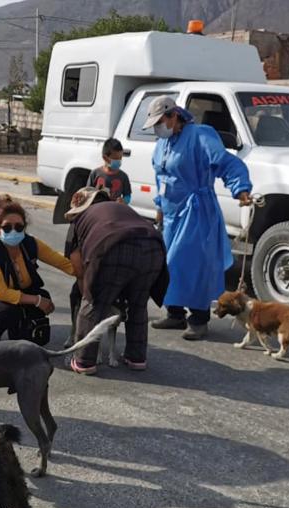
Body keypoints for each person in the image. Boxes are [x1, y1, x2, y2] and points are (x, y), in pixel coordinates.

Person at [143, 95, 253, 340]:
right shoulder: (163, 143)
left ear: (174, 116)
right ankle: (175, 314)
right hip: (172, 215)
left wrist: (240, 188)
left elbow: (227, 163)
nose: (157, 129)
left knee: (194, 266)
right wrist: (160, 205)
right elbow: (161, 177)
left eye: (160, 122)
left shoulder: (201, 135)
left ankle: (199, 318)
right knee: (169, 265)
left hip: (196, 212)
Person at [64, 187, 168, 375]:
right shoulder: (121, 209)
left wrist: (89, 293)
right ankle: (136, 358)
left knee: (94, 304)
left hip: (113, 248)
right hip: (154, 248)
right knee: (138, 304)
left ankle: (84, 361)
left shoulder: (81, 219)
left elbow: (78, 267)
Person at [0, 195, 76, 343]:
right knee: (7, 311)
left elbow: (60, 262)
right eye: (6, 227)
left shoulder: (30, 243)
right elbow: (1, 293)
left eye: (19, 226)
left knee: (42, 298)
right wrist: (37, 300)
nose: (13, 231)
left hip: (18, 295)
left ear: (24, 227)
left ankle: (19, 333)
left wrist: (87, 273)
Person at [88, 138, 132, 204]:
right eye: (116, 158)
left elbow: (127, 196)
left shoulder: (123, 176)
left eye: (120, 158)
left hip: (114, 211)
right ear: (105, 158)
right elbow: (87, 193)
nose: (119, 161)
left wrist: (124, 201)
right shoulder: (95, 174)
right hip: (98, 211)